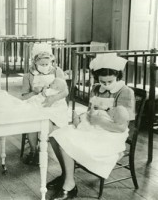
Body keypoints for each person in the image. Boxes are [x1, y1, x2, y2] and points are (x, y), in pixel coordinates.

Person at [47, 53, 135, 200]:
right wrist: (80, 119)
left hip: (111, 134)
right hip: (92, 127)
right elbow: (90, 112)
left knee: (67, 142)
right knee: (56, 136)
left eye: (110, 81)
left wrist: (98, 122)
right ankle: (66, 174)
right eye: (102, 81)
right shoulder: (95, 88)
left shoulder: (125, 92)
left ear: (118, 76)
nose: (106, 85)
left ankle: (69, 185)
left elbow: (120, 128)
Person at [22, 43, 69, 165]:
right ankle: (34, 150)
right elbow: (23, 97)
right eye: (41, 64)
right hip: (37, 103)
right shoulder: (28, 76)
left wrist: (53, 99)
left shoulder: (57, 71)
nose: (44, 66)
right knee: (31, 119)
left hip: (55, 103)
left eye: (47, 64)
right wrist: (34, 92)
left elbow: (65, 91)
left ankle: (58, 147)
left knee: (50, 123)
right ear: (35, 63)